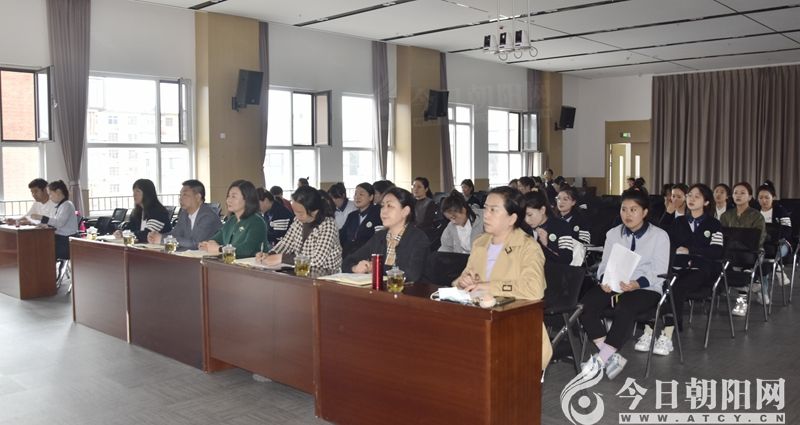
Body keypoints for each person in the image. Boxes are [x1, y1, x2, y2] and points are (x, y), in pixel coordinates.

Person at [454, 186, 551, 370]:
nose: (486, 215)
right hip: (480, 323)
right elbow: (462, 278)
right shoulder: (480, 242)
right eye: (485, 208)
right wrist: (462, 282)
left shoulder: (528, 247)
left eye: (493, 210)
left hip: (515, 328)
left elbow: (534, 289)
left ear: (512, 219)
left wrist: (489, 286)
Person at [578, 189, 670, 380]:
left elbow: (659, 271)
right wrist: (604, 279)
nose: (627, 214)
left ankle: (602, 359)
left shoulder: (659, 236)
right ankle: (611, 357)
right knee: (585, 306)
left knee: (625, 307)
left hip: (646, 288)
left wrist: (637, 283)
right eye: (624, 209)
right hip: (614, 284)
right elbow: (604, 264)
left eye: (633, 210)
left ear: (644, 212)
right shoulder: (613, 234)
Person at [635, 183, 723, 356]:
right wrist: (668, 213)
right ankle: (648, 330)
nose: (691, 199)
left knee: (676, 287)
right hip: (677, 266)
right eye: (689, 195)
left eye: (697, 196)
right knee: (657, 285)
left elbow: (716, 251)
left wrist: (691, 250)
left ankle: (668, 333)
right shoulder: (679, 221)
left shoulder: (714, 224)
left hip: (700, 269)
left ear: (706, 202)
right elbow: (659, 236)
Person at [343, 187, 429, 282]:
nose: (383, 211)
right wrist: (355, 268)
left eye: (390, 206)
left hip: (411, 290)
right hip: (383, 290)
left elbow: (411, 275)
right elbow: (348, 261)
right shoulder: (380, 236)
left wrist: (376, 268)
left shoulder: (418, 238)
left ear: (405, 211)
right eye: (382, 206)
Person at [256, 186, 342, 271]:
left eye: (300, 213)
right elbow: (286, 243)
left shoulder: (328, 225)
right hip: (302, 272)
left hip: (326, 274)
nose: (297, 216)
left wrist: (282, 258)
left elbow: (317, 261)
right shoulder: (298, 221)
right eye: (295, 212)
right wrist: (270, 254)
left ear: (315, 211)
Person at [720, 181, 766, 314]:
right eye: (735, 193)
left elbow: (760, 238)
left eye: (742, 193)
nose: (738, 195)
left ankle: (742, 300)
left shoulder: (757, 216)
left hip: (752, 252)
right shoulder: (726, 215)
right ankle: (753, 282)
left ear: (750, 197)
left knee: (743, 267)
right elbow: (722, 236)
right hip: (731, 253)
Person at [199, 180, 266, 258]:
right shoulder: (232, 220)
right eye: (228, 196)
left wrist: (220, 249)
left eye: (234, 197)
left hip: (250, 264)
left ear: (247, 199)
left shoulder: (256, 221)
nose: (229, 200)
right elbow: (217, 238)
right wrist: (207, 244)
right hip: (230, 262)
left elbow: (246, 250)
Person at [147, 180, 221, 250]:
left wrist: (162, 239)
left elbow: (195, 244)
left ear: (198, 197)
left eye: (185, 195)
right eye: (180, 195)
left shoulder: (208, 216)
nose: (180, 199)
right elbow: (175, 234)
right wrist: (156, 236)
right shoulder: (184, 213)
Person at [756, 180, 792, 302]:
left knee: (769, 257)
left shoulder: (781, 211)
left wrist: (776, 239)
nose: (764, 200)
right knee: (764, 261)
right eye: (760, 198)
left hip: (781, 243)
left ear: (774, 197)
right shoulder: (755, 211)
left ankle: (776, 266)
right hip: (761, 246)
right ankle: (777, 270)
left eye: (767, 197)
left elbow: (787, 230)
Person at [523, 191, 574, 264]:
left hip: (553, 269)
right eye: (524, 215)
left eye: (530, 215)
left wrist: (547, 244)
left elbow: (566, 259)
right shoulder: (524, 228)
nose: (527, 220)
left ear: (542, 210)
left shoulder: (561, 226)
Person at [36, 180, 79, 260]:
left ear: (58, 191)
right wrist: (46, 225)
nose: (50, 197)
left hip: (65, 240)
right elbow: (56, 222)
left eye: (50, 194)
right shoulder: (61, 205)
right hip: (61, 239)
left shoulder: (67, 205)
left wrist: (42, 218)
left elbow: (59, 223)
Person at [340, 182, 382, 258]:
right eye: (355, 194)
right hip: (349, 257)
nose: (357, 197)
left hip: (368, 257)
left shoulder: (378, 214)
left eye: (361, 194)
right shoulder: (352, 216)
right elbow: (342, 235)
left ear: (371, 197)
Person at [438, 190, 484, 254]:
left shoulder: (483, 220)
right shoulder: (451, 226)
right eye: (449, 219)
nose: (453, 222)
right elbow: (446, 246)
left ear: (463, 210)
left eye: (454, 217)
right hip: (460, 257)